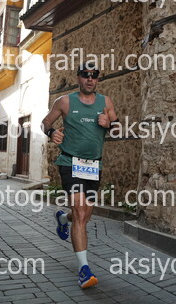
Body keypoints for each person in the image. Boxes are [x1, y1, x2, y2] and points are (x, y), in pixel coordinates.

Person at [41, 62, 118, 289]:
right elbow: (46, 122)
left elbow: (117, 128)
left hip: (93, 166)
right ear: (78, 78)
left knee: (85, 216)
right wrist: (51, 132)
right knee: (80, 211)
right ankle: (84, 270)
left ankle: (62, 219)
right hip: (70, 162)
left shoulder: (106, 102)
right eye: (85, 75)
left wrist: (109, 124)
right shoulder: (64, 101)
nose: (90, 79)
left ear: (98, 79)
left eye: (94, 75)